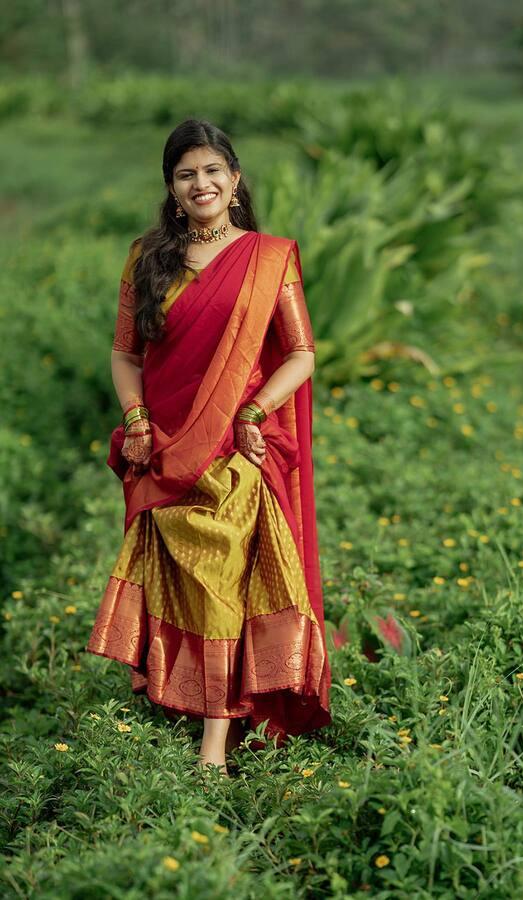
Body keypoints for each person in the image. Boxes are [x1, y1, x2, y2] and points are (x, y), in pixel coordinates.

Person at [85, 118, 332, 778]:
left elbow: (302, 352)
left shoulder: (269, 258)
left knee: (222, 587)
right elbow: (123, 354)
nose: (202, 183)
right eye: (187, 174)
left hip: (232, 452)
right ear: (172, 188)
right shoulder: (147, 258)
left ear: (235, 179)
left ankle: (213, 750)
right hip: (161, 448)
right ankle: (181, 697)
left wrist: (255, 409)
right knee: (179, 581)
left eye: (213, 171)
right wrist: (136, 418)